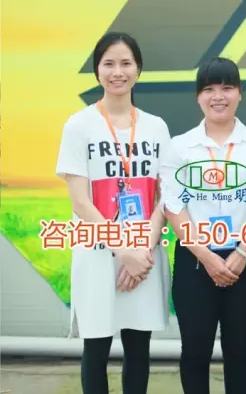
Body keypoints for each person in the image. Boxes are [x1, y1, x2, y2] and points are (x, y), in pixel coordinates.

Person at [55, 32, 171, 394]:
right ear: (97, 71)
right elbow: (80, 202)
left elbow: (164, 197)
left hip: (145, 254)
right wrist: (123, 250)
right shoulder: (79, 125)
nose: (117, 72)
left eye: (125, 63)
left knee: (139, 349)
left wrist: (142, 251)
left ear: (138, 69)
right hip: (98, 254)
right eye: (108, 64)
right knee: (96, 349)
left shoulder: (156, 127)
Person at [159, 57, 246, 394]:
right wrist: (207, 257)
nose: (218, 96)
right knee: (195, 352)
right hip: (195, 261)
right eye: (209, 89)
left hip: (245, 261)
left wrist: (242, 253)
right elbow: (173, 207)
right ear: (198, 96)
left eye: (226, 88)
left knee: (239, 351)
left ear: (240, 93)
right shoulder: (180, 146)